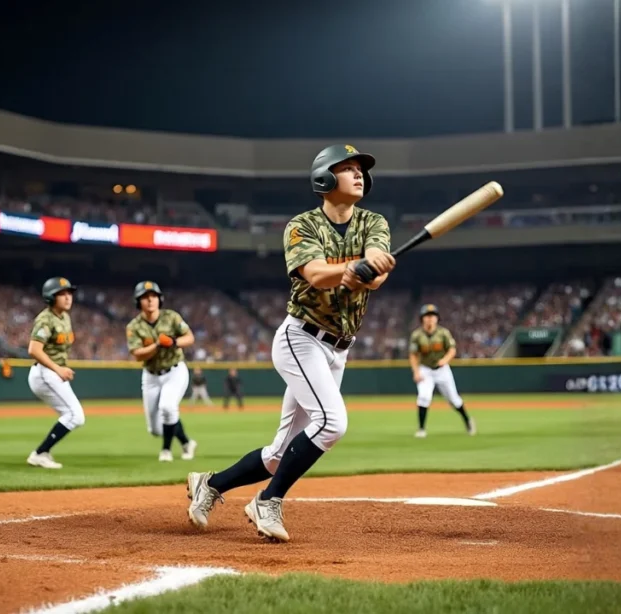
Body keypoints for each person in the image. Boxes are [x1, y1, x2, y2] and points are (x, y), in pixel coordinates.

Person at [187, 144, 395, 542]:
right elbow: (315, 273)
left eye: (360, 170)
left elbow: (375, 269)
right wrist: (351, 270)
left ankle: (209, 485)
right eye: (347, 168)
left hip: (339, 348)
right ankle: (268, 500)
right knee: (332, 423)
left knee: (279, 454)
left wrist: (372, 270)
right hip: (301, 338)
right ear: (324, 179)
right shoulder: (302, 225)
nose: (358, 174)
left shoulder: (374, 222)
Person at [125, 281, 198, 462]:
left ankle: (166, 451)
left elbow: (189, 338)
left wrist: (173, 342)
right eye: (145, 297)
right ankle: (187, 442)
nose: (150, 300)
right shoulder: (133, 326)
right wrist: (157, 345)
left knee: (167, 407)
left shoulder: (171, 317)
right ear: (138, 302)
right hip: (150, 375)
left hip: (175, 370)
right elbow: (137, 355)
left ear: (159, 299)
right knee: (156, 429)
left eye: (153, 296)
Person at [25, 277, 85, 469]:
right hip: (45, 373)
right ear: (51, 297)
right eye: (62, 293)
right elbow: (34, 350)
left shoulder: (65, 317)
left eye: (69, 293)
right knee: (75, 415)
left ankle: (43, 451)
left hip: (52, 372)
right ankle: (40, 453)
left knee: (72, 415)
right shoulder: (45, 319)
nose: (68, 297)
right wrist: (58, 368)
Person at [409, 304, 475, 438]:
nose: (430, 319)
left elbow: (452, 349)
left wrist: (445, 360)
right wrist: (416, 372)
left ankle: (467, 420)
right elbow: (413, 355)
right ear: (422, 319)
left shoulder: (443, 333)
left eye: (433, 316)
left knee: (454, 399)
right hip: (425, 369)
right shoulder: (417, 335)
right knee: (423, 397)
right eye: (427, 316)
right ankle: (421, 429)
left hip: (442, 370)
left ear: (437, 318)